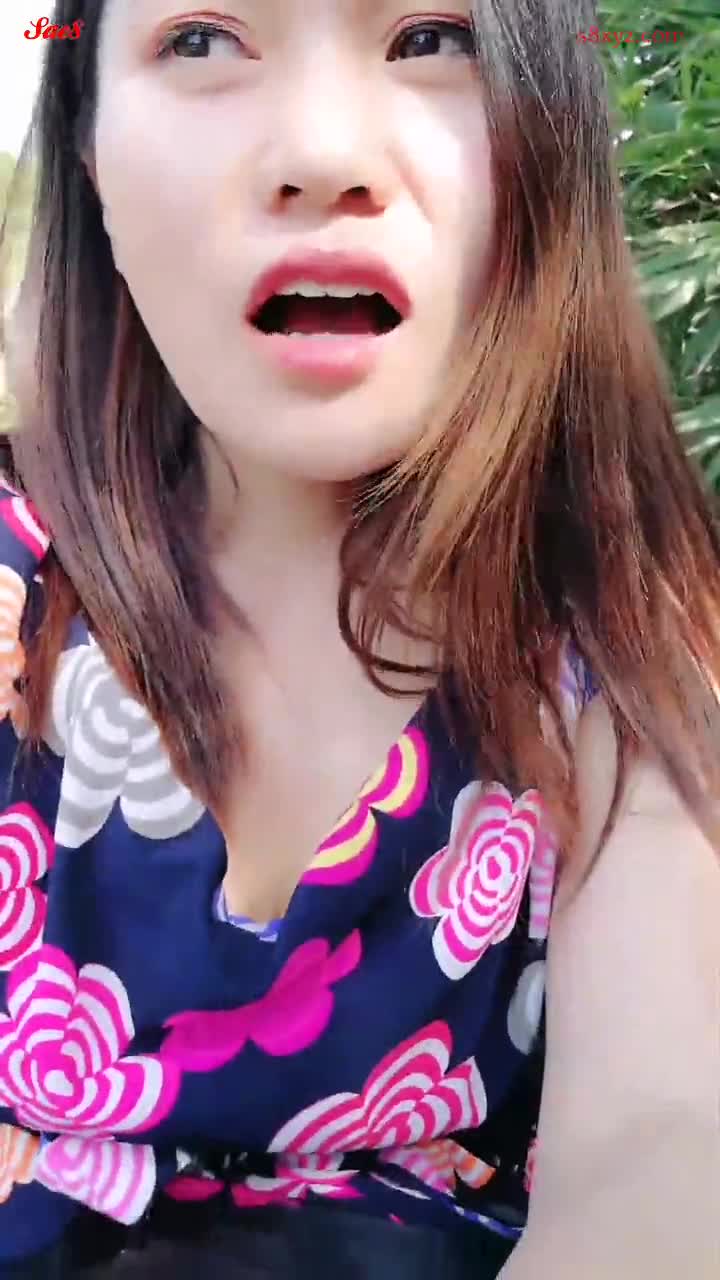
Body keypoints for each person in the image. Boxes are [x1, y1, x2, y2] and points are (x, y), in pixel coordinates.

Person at [0, 1, 718, 1276]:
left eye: (433, 36)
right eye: (201, 39)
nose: (322, 152)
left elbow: (662, 1155)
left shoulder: (631, 649)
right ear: (92, 151)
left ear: (554, 131)